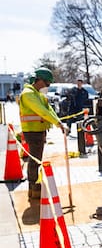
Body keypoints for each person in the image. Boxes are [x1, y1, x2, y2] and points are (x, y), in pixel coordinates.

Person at [18, 68, 67, 200]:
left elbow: (48, 109)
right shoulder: (28, 94)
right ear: (39, 80)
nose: (47, 86)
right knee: (34, 160)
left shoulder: (37, 94)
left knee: (37, 159)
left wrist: (58, 121)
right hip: (32, 132)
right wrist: (58, 123)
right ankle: (33, 187)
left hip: (39, 131)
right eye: (47, 83)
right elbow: (42, 111)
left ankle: (34, 186)